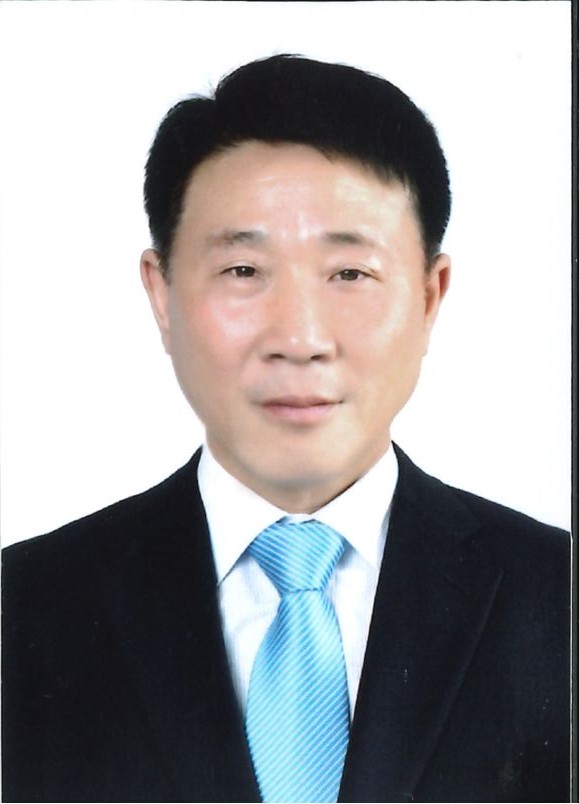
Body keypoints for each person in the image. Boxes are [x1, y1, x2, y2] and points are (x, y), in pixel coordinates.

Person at [1, 55, 570, 803]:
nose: (299, 339)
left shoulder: (557, 599)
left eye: (349, 274)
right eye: (243, 271)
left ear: (431, 296)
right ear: (161, 294)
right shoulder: (23, 608)